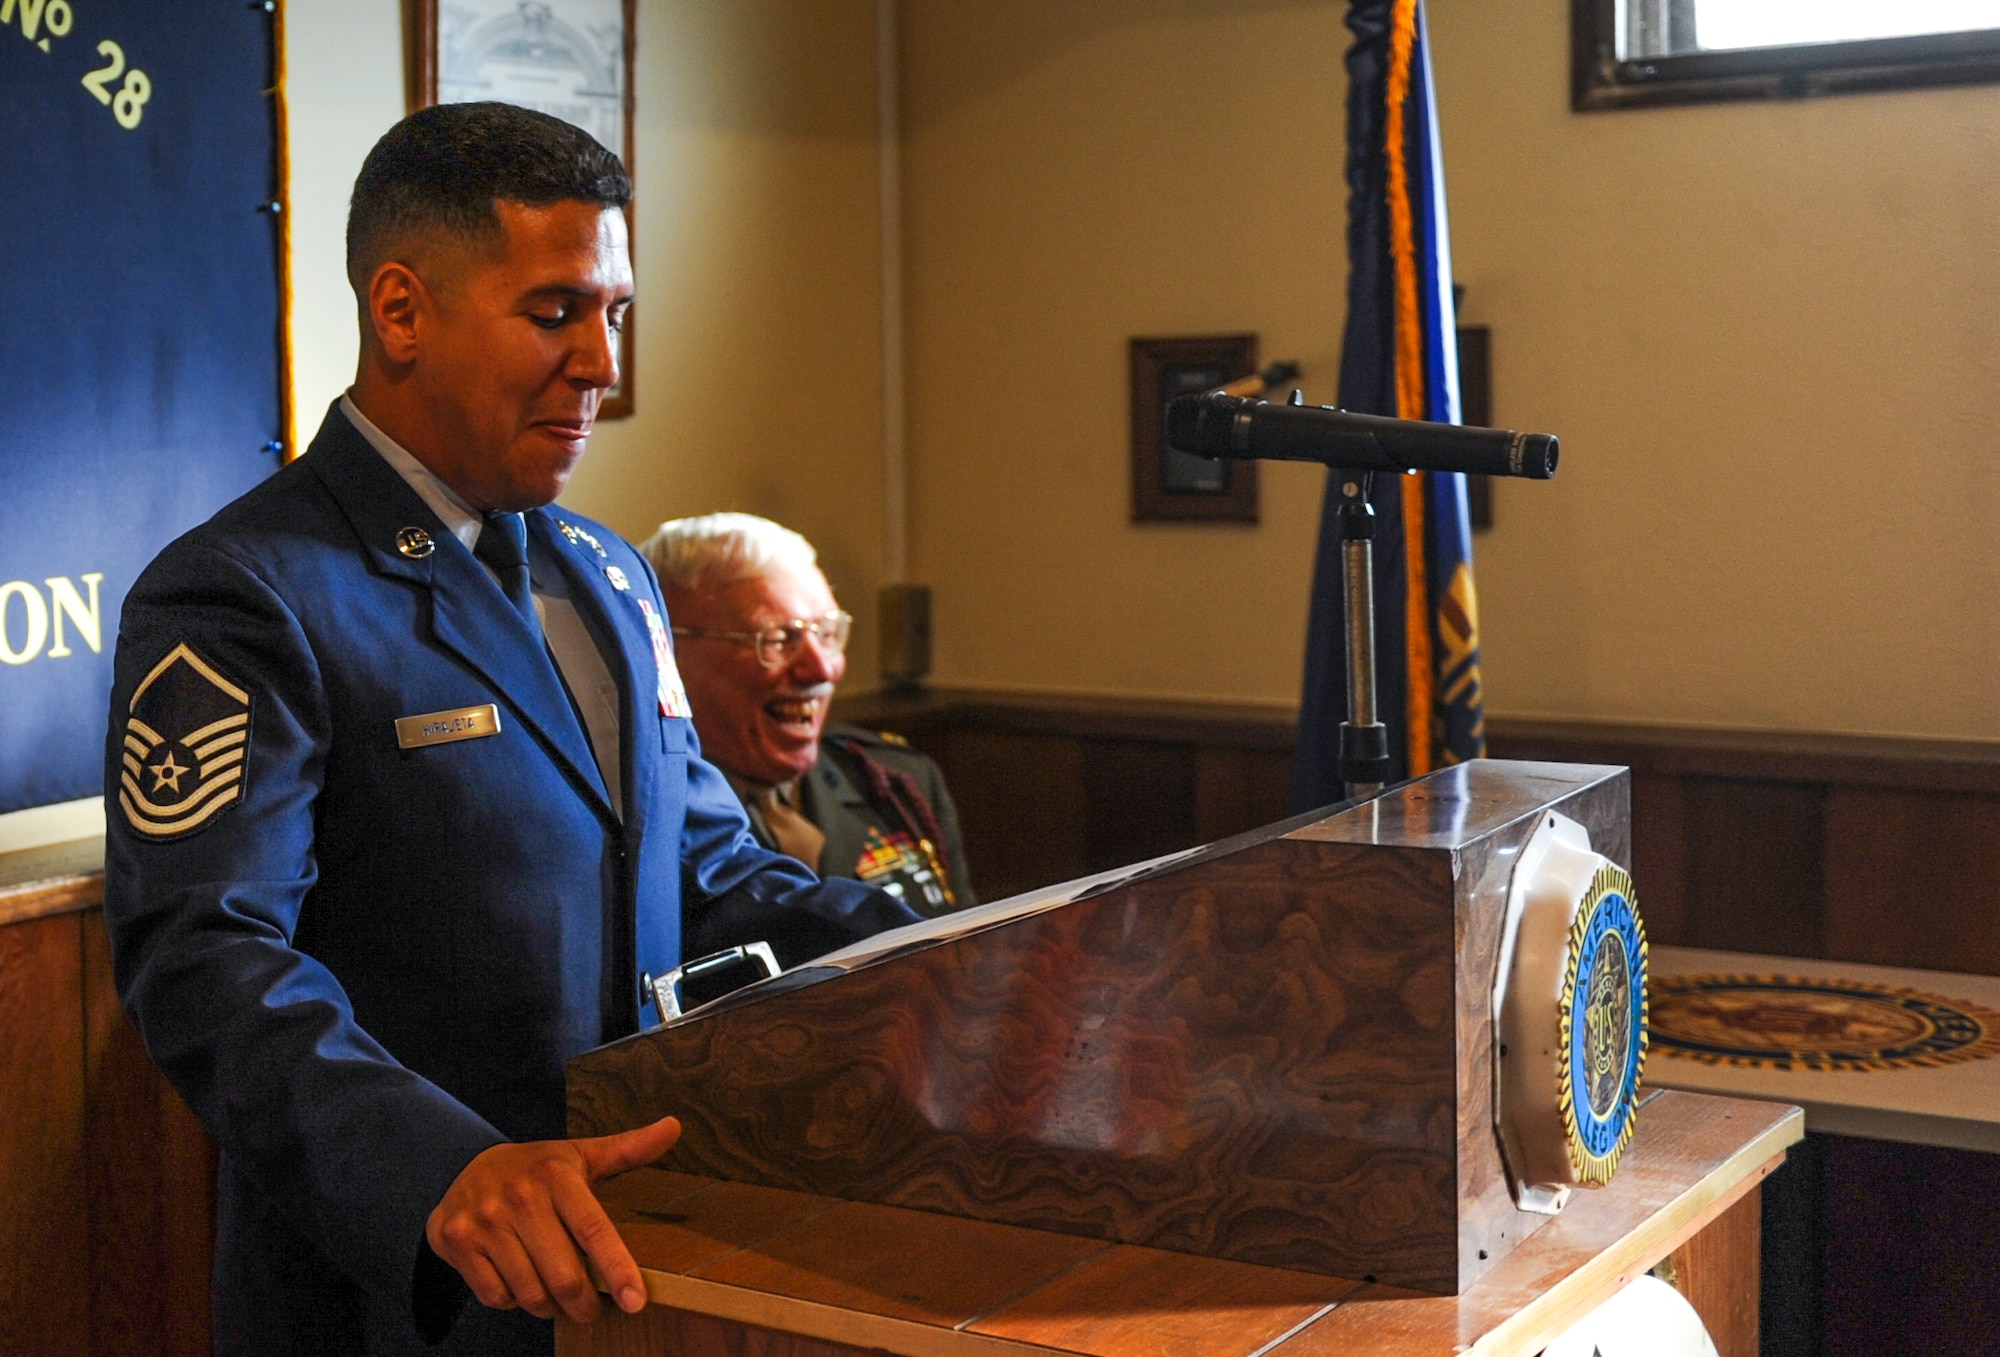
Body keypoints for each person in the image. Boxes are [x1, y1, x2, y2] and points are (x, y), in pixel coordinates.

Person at [101, 104, 922, 1356]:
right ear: (401, 311)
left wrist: (958, 948)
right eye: (554, 312)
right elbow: (211, 961)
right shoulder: (246, 590)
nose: (600, 361)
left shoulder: (607, 572)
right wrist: (443, 1170)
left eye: (615, 314)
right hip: (406, 1287)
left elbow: (709, 868)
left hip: (632, 1267)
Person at [642, 514, 976, 915]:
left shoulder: (895, 784)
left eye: (828, 634)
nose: (823, 669)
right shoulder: (646, 818)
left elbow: (963, 963)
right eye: (780, 639)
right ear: (668, 650)